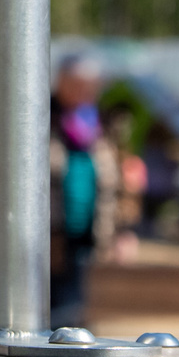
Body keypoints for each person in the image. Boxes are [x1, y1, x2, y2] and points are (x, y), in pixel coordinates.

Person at [48, 54, 121, 328]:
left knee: (81, 310)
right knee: (54, 310)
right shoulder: (41, 117)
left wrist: (119, 230)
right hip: (51, 234)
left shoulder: (97, 122)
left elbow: (114, 180)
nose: (86, 91)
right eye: (78, 84)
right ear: (61, 82)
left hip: (91, 230)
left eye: (92, 85)